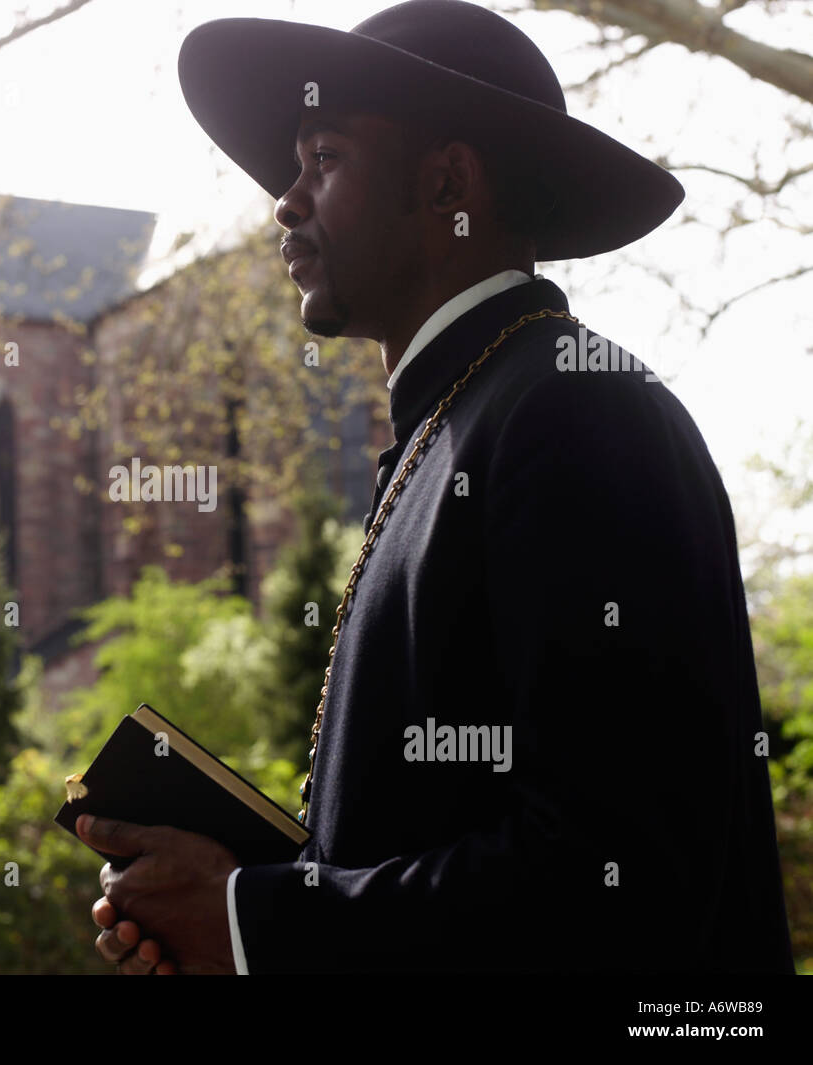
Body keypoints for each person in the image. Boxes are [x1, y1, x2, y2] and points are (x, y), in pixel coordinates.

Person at [78, 0, 795, 974]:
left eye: (322, 159)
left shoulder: (575, 415)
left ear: (446, 182)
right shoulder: (464, 422)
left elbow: (617, 870)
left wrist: (258, 923)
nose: (284, 203)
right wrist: (236, 901)